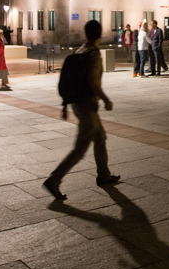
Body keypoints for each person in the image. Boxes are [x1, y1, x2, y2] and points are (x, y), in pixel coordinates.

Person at [43, 19, 119, 199]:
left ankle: (104, 175)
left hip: (76, 103)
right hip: (86, 104)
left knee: (100, 137)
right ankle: (54, 179)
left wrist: (64, 105)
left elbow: (68, 79)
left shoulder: (79, 50)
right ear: (100, 34)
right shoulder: (92, 53)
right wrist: (106, 99)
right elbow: (93, 81)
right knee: (80, 148)